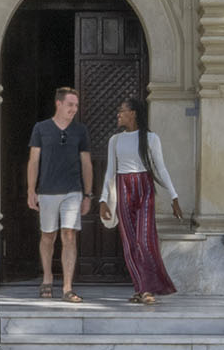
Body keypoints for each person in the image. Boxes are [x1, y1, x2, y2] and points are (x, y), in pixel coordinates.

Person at [100, 97, 183, 305]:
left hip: (144, 187)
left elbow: (160, 168)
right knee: (129, 242)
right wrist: (103, 200)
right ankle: (142, 289)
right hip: (123, 187)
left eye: (122, 110)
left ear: (133, 113)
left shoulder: (151, 138)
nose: (118, 114)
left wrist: (174, 196)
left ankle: (148, 287)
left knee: (144, 240)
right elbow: (110, 171)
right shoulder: (115, 140)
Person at [26, 83, 93, 303]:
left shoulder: (80, 130)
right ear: (59, 104)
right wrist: (30, 190)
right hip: (46, 191)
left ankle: (67, 287)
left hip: (73, 191)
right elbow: (34, 161)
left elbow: (86, 163)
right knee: (48, 236)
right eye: (70, 105)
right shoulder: (41, 128)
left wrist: (88, 194)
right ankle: (47, 277)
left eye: (76, 105)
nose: (74, 109)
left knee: (69, 235)